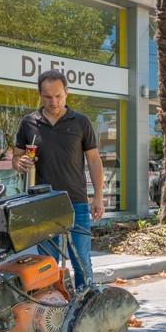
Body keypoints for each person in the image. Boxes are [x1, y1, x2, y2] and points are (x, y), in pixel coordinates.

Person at [14, 69, 104, 288]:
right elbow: (16, 158)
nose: (53, 101)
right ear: (40, 95)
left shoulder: (81, 122)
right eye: (47, 97)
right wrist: (20, 163)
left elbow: (93, 160)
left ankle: (86, 305)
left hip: (77, 202)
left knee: (81, 260)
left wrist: (98, 198)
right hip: (42, 203)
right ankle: (52, 306)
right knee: (46, 262)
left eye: (58, 96)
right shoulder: (28, 123)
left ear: (67, 93)